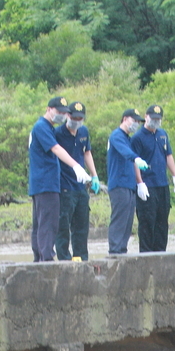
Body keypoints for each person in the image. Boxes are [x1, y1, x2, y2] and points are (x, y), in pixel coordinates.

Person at [28, 96, 91, 262]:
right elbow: (56, 148)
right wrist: (76, 165)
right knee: (49, 223)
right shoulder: (42, 127)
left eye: (64, 112)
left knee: (41, 223)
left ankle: (40, 256)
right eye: (59, 111)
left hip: (45, 183)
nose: (62, 115)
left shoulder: (47, 127)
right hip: (46, 183)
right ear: (49, 109)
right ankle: (46, 258)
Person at [54, 100, 100, 262]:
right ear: (67, 115)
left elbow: (87, 153)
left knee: (81, 226)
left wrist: (94, 175)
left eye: (80, 118)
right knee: (63, 226)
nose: (76, 121)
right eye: (74, 117)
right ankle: (64, 260)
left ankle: (81, 258)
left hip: (81, 187)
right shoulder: (58, 133)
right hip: (64, 186)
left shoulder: (84, 132)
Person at [131, 105, 175, 252]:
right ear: (146, 117)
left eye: (158, 119)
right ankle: (146, 255)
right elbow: (134, 161)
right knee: (147, 222)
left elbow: (168, 156)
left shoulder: (162, 134)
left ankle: (161, 253)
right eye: (153, 118)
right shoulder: (138, 138)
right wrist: (139, 182)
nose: (155, 121)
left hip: (162, 184)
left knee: (162, 222)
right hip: (148, 184)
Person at [106, 109, 149, 255]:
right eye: (134, 120)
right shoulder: (117, 135)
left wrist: (139, 182)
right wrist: (136, 158)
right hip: (119, 184)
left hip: (129, 185)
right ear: (125, 119)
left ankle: (121, 250)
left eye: (138, 122)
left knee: (127, 221)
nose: (136, 124)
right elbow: (125, 152)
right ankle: (115, 251)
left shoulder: (128, 139)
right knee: (120, 219)